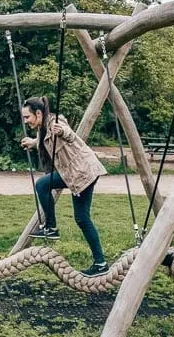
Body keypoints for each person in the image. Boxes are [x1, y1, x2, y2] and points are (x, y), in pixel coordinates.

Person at [20, 96, 109, 277]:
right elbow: (47, 141)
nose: (25, 121)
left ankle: (51, 227)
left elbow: (69, 135)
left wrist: (63, 132)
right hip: (75, 173)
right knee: (82, 218)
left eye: (27, 117)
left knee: (43, 185)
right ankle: (101, 263)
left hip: (82, 172)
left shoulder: (55, 122)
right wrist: (33, 142)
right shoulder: (42, 128)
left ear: (38, 113)